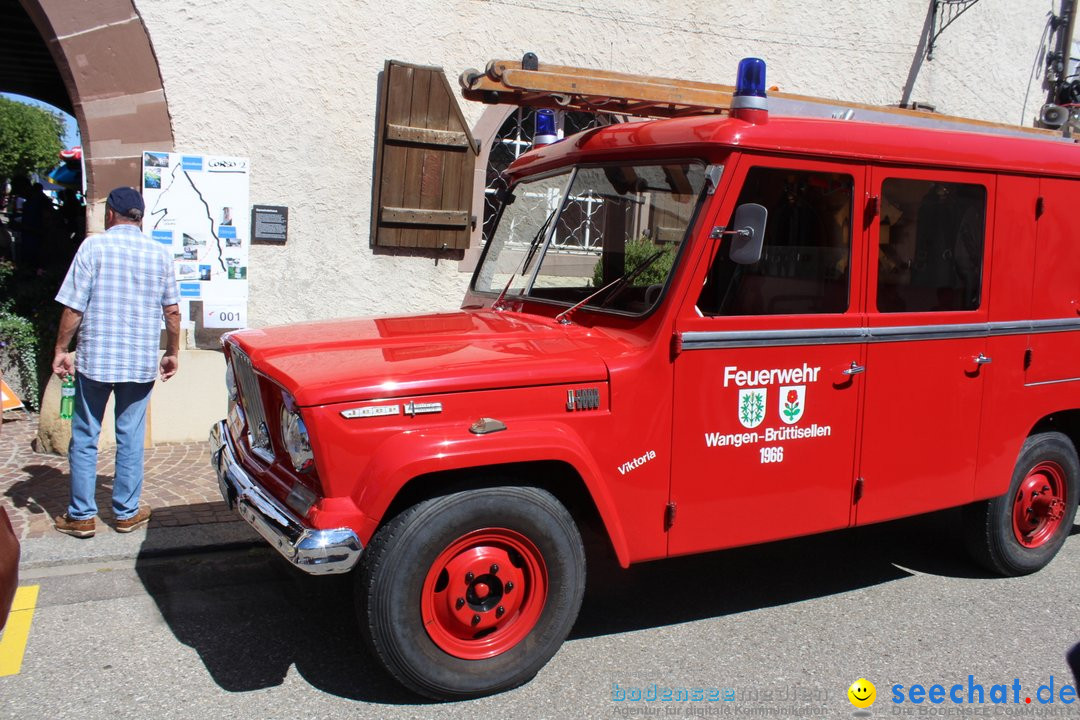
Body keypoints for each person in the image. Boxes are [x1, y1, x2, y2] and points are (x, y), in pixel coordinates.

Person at [51, 187, 181, 538]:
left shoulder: (93, 247)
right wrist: (172, 352)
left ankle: (81, 516)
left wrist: (62, 349)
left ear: (110, 215)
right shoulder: (159, 254)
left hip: (96, 360)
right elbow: (171, 310)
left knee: (85, 435)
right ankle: (125, 513)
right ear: (140, 217)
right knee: (131, 436)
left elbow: (73, 307)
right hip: (138, 363)